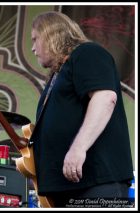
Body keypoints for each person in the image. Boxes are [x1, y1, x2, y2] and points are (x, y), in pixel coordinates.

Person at [29, 11, 134, 207]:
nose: (33, 48)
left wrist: (78, 148)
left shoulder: (86, 53)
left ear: (51, 34)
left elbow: (105, 98)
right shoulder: (60, 73)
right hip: (67, 187)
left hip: (96, 182)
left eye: (35, 39)